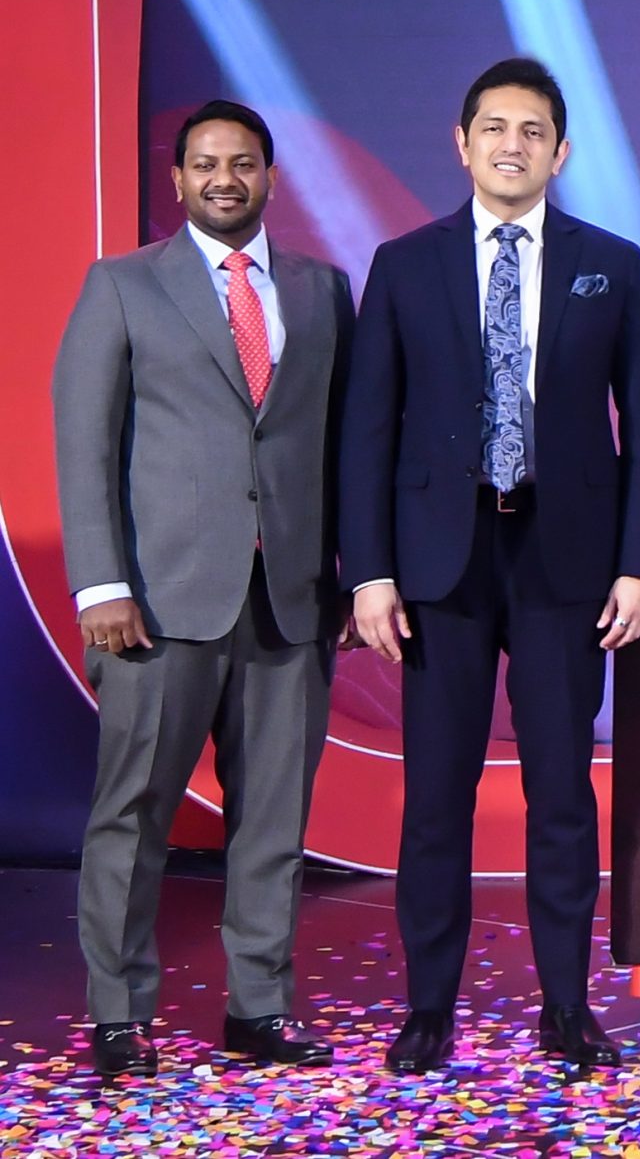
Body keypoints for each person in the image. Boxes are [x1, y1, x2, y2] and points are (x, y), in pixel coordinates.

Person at [341, 57, 640, 1071]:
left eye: (532, 131)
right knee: (436, 795)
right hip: (440, 562)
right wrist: (369, 571)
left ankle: (566, 1005)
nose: (511, 145)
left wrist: (639, 562)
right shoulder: (404, 264)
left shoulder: (611, 263)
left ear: (560, 152)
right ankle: (427, 1009)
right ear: (461, 143)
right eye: (494, 127)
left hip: (564, 559)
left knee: (562, 793)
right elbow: (367, 430)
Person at [52, 100, 351, 1076]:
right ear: (177, 180)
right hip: (156, 603)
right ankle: (119, 1015)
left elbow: (343, 445)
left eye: (245, 162)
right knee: (134, 813)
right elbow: (84, 444)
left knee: (274, 819)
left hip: (290, 601)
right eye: (207, 163)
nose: (226, 178)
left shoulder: (321, 290)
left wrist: (350, 577)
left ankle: (258, 1007)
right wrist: (101, 583)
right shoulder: (122, 284)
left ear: (271, 177)